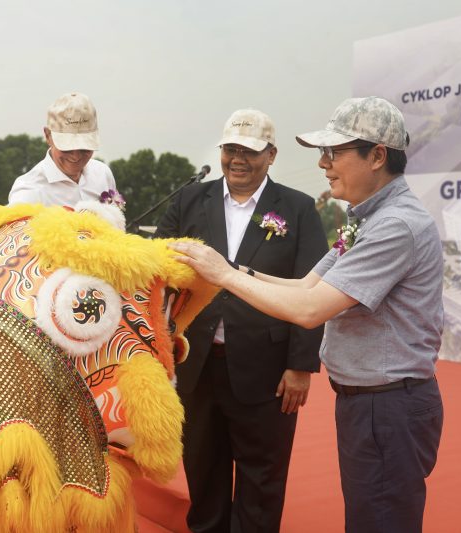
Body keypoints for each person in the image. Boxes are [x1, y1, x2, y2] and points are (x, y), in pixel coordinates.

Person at [169, 96, 444, 533]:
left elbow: (311, 309)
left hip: (389, 404)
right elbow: (303, 285)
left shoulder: (395, 226)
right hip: (367, 401)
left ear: (376, 156)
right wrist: (231, 269)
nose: (323, 164)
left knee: (381, 520)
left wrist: (222, 275)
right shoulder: (367, 220)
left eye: (334, 153)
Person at [155, 109, 327, 532]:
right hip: (195, 363)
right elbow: (156, 271)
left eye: (249, 152)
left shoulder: (298, 209)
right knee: (202, 468)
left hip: (267, 368)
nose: (238, 159)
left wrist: (300, 365)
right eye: (231, 149)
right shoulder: (191, 200)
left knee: (262, 476)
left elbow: (312, 287)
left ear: (271, 155)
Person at [7, 92, 117, 207]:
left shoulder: (103, 173)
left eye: (84, 148)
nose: (76, 156)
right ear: (48, 136)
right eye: (67, 147)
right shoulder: (28, 192)